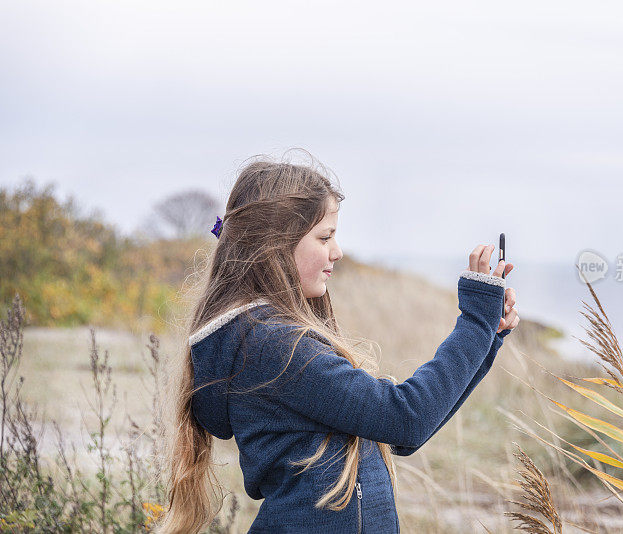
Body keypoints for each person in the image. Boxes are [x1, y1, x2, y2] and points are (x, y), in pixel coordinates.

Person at [155, 150, 520, 533]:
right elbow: (405, 419)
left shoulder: (267, 339)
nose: (338, 251)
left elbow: (404, 435)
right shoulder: (272, 345)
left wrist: (485, 337)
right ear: (275, 246)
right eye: (324, 236)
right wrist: (475, 322)